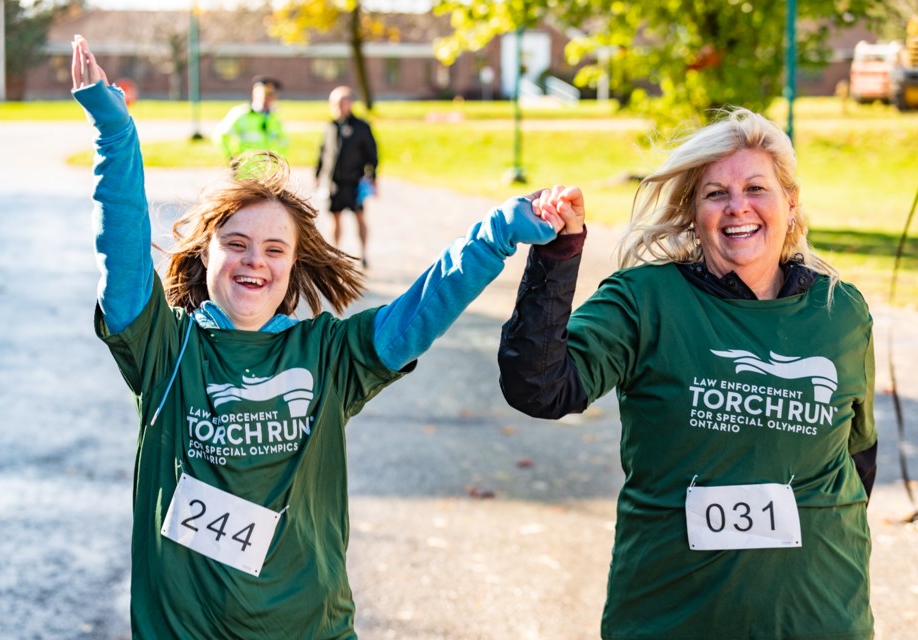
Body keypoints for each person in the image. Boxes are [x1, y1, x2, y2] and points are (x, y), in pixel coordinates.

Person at [71, 35, 561, 639]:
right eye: (237, 243)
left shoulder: (328, 355)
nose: (256, 261)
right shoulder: (165, 349)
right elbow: (121, 260)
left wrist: (499, 231)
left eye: (275, 249)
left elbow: (421, 310)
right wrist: (115, 134)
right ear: (204, 255)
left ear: (294, 267)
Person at [498, 108, 877, 639]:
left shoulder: (842, 312)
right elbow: (538, 387)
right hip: (670, 617)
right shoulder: (644, 301)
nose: (737, 207)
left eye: (756, 188)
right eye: (715, 193)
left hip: (818, 618)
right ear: (692, 213)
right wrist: (560, 252)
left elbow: (857, 458)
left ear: (790, 204)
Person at [315, 86, 377, 268]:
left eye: (341, 102)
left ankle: (363, 252)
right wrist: (318, 174)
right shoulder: (330, 126)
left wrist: (371, 176)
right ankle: (335, 253)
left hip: (354, 181)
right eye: (333, 103)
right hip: (334, 181)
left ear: (350, 103)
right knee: (334, 217)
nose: (337, 106)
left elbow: (372, 154)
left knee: (359, 216)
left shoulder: (361, 127)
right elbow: (322, 152)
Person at [214, 74, 289, 161]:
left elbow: (283, 143)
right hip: (246, 169)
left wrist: (280, 163)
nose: (267, 97)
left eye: (271, 93)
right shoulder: (241, 113)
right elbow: (221, 135)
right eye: (264, 93)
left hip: (269, 169)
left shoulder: (275, 117)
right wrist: (230, 157)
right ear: (255, 93)